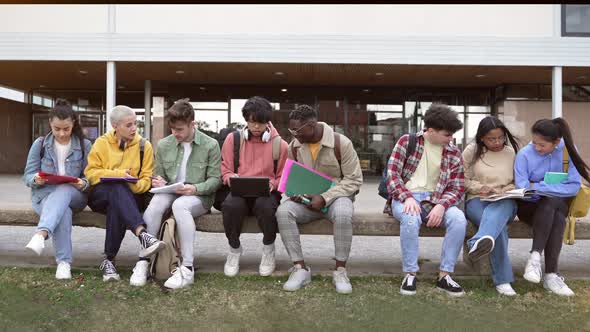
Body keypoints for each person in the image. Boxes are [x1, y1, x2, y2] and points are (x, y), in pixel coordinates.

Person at [130, 99, 221, 289]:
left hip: (198, 196)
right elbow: (158, 173)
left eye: (180, 129)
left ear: (192, 124)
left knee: (180, 205)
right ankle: (143, 261)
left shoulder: (210, 145)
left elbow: (215, 180)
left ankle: (187, 268)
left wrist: (194, 189)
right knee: (154, 206)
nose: (175, 133)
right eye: (172, 129)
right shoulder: (164, 144)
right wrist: (159, 181)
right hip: (171, 190)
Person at [276, 104, 363, 294]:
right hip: (308, 200)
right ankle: (300, 269)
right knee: (283, 211)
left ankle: (340, 270)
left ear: (312, 124)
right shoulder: (295, 146)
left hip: (337, 197)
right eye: (291, 129)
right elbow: (294, 175)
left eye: (297, 130)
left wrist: (324, 198)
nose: (294, 134)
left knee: (342, 213)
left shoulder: (342, 143)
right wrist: (295, 192)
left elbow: (354, 180)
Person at [386, 103, 466, 297]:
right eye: (447, 134)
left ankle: (444, 276)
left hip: (437, 199)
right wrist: (407, 197)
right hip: (406, 197)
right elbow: (392, 176)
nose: (451, 138)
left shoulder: (453, 152)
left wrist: (441, 205)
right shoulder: (407, 141)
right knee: (411, 219)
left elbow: (457, 188)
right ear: (431, 130)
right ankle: (410, 274)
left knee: (459, 220)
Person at [85, 105, 165, 282]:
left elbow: (146, 179)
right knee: (116, 187)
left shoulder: (145, 146)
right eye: (129, 125)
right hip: (100, 196)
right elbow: (91, 174)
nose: (134, 128)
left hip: (131, 198)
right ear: (115, 126)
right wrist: (120, 175)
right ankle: (142, 234)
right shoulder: (101, 143)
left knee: (118, 203)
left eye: (135, 123)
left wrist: (132, 185)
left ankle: (109, 261)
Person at [515, 118, 590, 297]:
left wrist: (538, 186)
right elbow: (523, 188)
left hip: (556, 206)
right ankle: (551, 275)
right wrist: (550, 189)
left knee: (552, 204)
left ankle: (535, 258)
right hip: (529, 207)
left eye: (542, 145)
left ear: (556, 143)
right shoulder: (524, 155)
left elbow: (573, 187)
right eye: (534, 143)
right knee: (553, 207)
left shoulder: (567, 151)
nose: (537, 148)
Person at [23, 99, 93, 279]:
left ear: (73, 124)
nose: (61, 134)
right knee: (64, 212)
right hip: (44, 196)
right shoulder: (40, 144)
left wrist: (83, 183)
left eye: (66, 129)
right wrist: (36, 179)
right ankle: (64, 264)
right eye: (57, 129)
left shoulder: (85, 146)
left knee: (63, 190)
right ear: (50, 125)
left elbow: (90, 177)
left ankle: (41, 233)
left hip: (75, 195)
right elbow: (28, 175)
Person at [221, 96, 288, 277]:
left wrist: (273, 184)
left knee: (266, 206)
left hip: (267, 194)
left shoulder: (280, 145)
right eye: (252, 122)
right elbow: (225, 169)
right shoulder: (232, 140)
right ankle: (234, 249)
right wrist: (230, 178)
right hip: (239, 192)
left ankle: (268, 250)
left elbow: (283, 177)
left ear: (268, 122)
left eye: (260, 123)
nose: (256, 127)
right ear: (246, 121)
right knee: (230, 206)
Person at [462, 116, 520, 296]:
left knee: (497, 219)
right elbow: (460, 178)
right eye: (491, 139)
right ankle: (503, 281)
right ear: (481, 138)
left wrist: (507, 189)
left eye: (500, 137)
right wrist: (481, 188)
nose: (497, 142)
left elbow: (520, 179)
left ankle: (476, 241)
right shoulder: (472, 151)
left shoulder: (512, 152)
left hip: (506, 201)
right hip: (477, 200)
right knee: (497, 228)